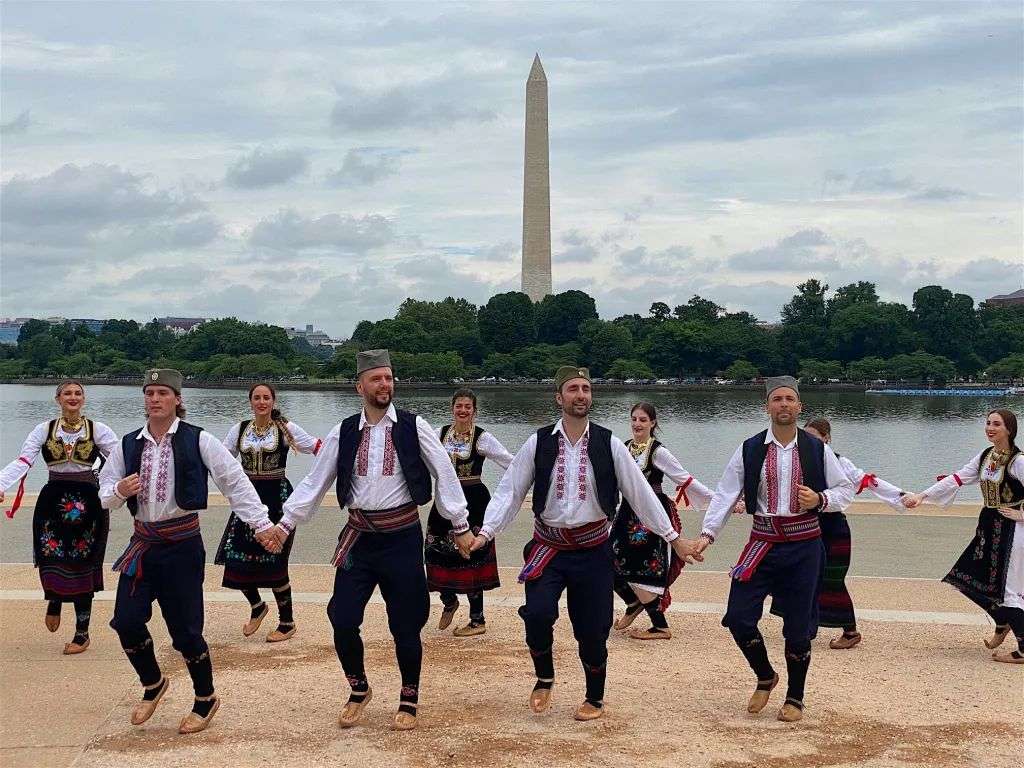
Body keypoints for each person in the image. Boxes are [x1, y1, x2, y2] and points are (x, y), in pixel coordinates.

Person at [469, 366, 704, 721]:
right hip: (547, 547)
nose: (581, 394)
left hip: (594, 550)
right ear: (559, 397)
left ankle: (594, 698)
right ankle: (544, 677)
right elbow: (510, 492)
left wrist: (675, 539)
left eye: (586, 388)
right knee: (537, 615)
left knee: (592, 629)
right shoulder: (538, 442)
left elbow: (641, 496)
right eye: (574, 389)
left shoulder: (609, 443)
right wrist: (485, 533)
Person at [273, 350, 474, 730]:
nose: (385, 384)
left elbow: (445, 474)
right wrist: (285, 525)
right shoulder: (344, 430)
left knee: (405, 623)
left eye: (389, 378)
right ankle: (359, 688)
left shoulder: (415, 426)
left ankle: (409, 696)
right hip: (359, 538)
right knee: (342, 617)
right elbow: (316, 482)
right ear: (359, 386)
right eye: (377, 379)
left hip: (401, 537)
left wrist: (460, 524)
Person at [99, 369, 278, 734]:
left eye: (162, 392)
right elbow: (104, 495)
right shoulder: (128, 444)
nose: (154, 399)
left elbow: (234, 482)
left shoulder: (199, 440)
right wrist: (119, 489)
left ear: (177, 399)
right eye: (149, 392)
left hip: (182, 546)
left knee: (186, 631)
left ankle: (205, 697)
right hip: (143, 544)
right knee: (127, 621)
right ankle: (153, 682)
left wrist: (262, 525)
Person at [695, 376, 854, 722]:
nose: (783, 404)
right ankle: (765, 675)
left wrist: (820, 499)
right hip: (762, 542)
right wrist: (706, 535)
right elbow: (726, 494)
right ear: (767, 406)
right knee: (738, 617)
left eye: (789, 399)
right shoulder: (750, 449)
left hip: (804, 545)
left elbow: (846, 490)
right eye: (777, 399)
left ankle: (795, 698)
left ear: (800, 406)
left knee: (797, 628)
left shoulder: (817, 449)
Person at [0, 381, 118, 654]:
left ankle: (82, 633)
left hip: (89, 502)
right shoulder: (44, 430)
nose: (73, 398)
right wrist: (1, 483)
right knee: (50, 555)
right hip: (53, 501)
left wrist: (128, 486)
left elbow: (122, 458)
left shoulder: (99, 430)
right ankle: (54, 599)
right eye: (67, 393)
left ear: (84, 399)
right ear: (58, 399)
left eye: (77, 393)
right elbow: (24, 461)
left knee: (83, 562)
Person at [903, 409, 1024, 664]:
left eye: (997, 424)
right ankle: (1002, 620)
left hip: (1012, 531)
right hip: (989, 525)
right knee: (965, 576)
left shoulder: (1017, 461)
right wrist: (922, 496)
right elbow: (956, 479)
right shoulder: (985, 456)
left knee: (1009, 586)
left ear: (1009, 429)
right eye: (988, 423)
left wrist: (1022, 515)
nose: (990, 428)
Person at [776, 418, 905, 650]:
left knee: (832, 581)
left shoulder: (839, 462)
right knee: (798, 577)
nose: (809, 441)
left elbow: (868, 482)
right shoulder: (797, 459)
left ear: (827, 439)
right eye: (806, 436)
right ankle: (804, 626)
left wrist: (902, 497)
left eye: (815, 437)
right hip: (804, 528)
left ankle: (850, 631)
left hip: (832, 529)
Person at [215, 383, 321, 642]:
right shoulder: (239, 430)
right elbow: (218, 458)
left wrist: (333, 468)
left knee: (275, 560)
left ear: (273, 401)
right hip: (247, 499)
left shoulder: (286, 429)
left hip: (278, 499)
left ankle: (287, 622)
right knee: (236, 557)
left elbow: (319, 448)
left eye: (266, 398)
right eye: (256, 398)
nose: (261, 402)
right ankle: (257, 606)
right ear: (250, 401)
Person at [610, 402, 713, 640]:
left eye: (643, 420)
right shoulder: (624, 448)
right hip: (627, 512)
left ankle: (659, 626)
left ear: (653, 423)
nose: (637, 424)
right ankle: (633, 601)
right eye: (634, 419)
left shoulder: (658, 451)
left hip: (652, 515)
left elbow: (685, 479)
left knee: (646, 569)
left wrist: (719, 501)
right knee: (607, 559)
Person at [426, 388, 513, 637]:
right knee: (433, 550)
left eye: (468, 406)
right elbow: (421, 456)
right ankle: (449, 600)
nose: (463, 410)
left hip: (474, 500)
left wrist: (523, 481)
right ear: (452, 408)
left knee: (471, 555)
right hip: (444, 500)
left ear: (474, 410)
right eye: (459, 406)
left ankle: (477, 620)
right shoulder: (439, 434)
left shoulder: (482, 438)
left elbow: (509, 461)